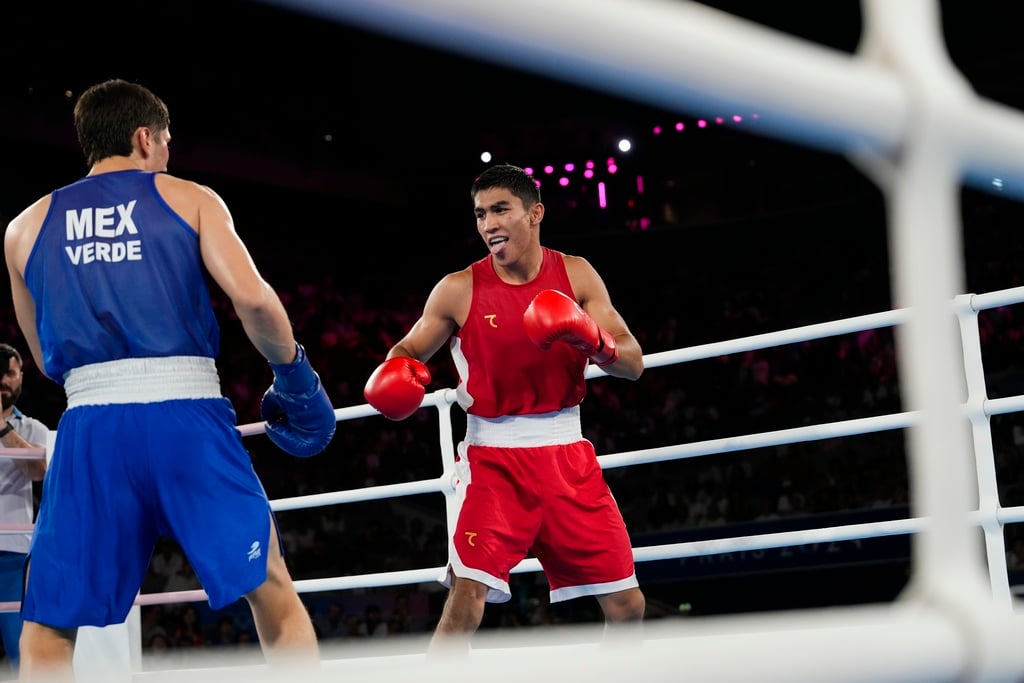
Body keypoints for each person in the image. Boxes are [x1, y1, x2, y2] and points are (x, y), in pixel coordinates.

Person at [3, 78, 336, 679]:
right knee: (271, 589)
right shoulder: (190, 198)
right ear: (144, 136)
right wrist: (295, 374)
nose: (168, 155)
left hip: (88, 424)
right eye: (166, 142)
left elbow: (43, 356)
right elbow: (254, 302)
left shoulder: (24, 227)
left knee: (48, 624)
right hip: (186, 415)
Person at [363, 163, 647, 653]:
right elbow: (406, 352)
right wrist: (400, 376)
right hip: (493, 458)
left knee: (628, 607)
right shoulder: (458, 288)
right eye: (479, 215)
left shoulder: (575, 273)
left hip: (566, 454)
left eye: (500, 210)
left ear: (535, 213)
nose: (488, 224)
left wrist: (593, 340)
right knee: (465, 599)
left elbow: (633, 362)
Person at [0, 344, 48, 672]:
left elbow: (37, 471)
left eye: (10, 373)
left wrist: (1, 427)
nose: (3, 380)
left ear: (19, 379)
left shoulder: (33, 429)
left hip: (11, 554)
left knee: (20, 652)